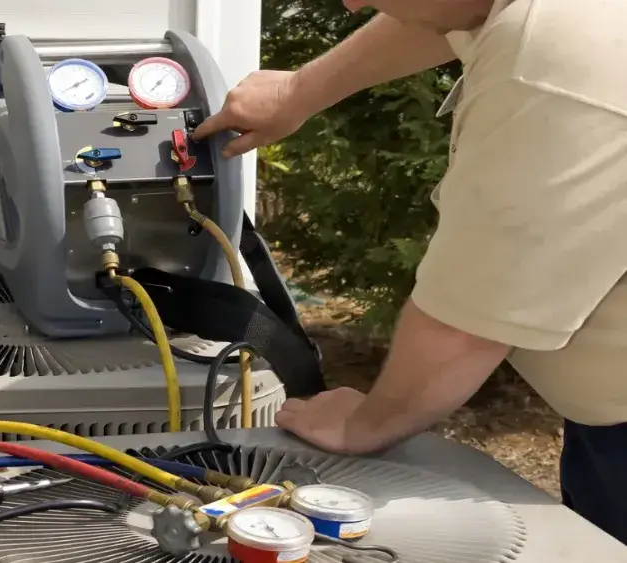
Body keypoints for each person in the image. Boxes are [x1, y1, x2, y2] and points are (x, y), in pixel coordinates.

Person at [192, 0, 627, 547]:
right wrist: (298, 90)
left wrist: (369, 422)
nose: (352, 4)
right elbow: (450, 14)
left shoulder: (561, 48)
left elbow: (475, 312)